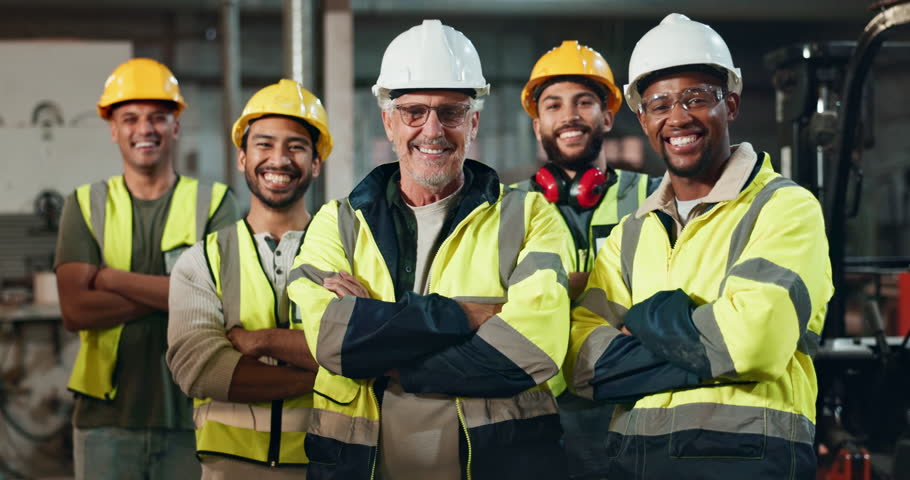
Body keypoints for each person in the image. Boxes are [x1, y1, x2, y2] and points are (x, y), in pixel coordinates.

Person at [286, 19, 574, 480]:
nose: (433, 130)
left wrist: (383, 346)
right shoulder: (337, 223)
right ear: (388, 121)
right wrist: (469, 315)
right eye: (414, 112)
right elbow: (334, 342)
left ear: (474, 121)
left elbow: (530, 349)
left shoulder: (530, 218)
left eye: (452, 112)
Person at [566, 13, 833, 479]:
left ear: (730, 104)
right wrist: (708, 340)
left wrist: (644, 317)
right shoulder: (631, 233)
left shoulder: (784, 207)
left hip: (748, 460)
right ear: (643, 119)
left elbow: (756, 342)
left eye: (696, 98)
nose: (678, 117)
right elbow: (583, 365)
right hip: (635, 463)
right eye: (659, 104)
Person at [54, 58, 241, 480]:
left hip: (194, 417)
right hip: (105, 420)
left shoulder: (214, 202)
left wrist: (110, 279)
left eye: (158, 117)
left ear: (175, 126)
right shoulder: (84, 204)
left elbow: (223, 302)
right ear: (113, 129)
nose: (145, 129)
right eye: (130, 118)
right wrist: (183, 294)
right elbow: (76, 310)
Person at [166, 79, 330, 479]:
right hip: (229, 469)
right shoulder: (203, 260)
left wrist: (259, 342)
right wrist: (324, 375)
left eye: (296, 146)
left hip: (326, 464)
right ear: (242, 158)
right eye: (264, 144)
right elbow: (201, 370)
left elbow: (369, 354)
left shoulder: (346, 253)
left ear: (315, 163)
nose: (279, 158)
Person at [516, 41, 655, 479]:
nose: (569, 116)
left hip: (629, 406)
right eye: (553, 105)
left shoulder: (653, 197)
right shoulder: (507, 208)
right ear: (538, 126)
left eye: (584, 102)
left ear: (608, 116)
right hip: (537, 408)